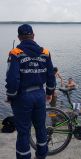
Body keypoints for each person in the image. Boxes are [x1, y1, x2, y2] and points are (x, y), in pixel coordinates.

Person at [5, 24, 55, 159]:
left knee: (23, 132)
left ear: (19, 37)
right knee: (40, 128)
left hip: (22, 97)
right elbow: (51, 75)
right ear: (33, 35)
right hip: (39, 95)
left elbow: (12, 79)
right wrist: (49, 92)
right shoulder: (45, 52)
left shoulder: (15, 53)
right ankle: (41, 156)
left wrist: (10, 95)